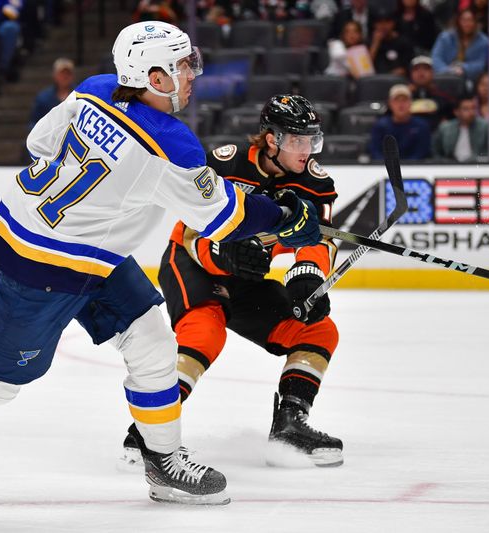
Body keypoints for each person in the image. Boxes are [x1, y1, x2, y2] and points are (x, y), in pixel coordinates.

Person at [0, 21, 321, 507]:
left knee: (152, 340)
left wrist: (100, 197)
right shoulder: (168, 145)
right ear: (154, 78)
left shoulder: (93, 90)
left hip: (88, 252)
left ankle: (163, 460)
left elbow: (39, 143)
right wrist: (285, 215)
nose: (192, 73)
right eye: (182, 65)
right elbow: (224, 215)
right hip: (38, 267)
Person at [120, 94, 344, 470]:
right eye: (297, 141)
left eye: (311, 140)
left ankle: (290, 423)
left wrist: (308, 274)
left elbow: (319, 239)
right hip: (194, 265)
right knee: (204, 334)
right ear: (271, 139)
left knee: (318, 331)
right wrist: (221, 253)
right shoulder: (227, 164)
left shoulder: (315, 183)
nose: (307, 151)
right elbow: (192, 230)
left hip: (248, 276)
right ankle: (146, 432)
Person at [370, 84, 431, 160]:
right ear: (390, 103)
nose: (401, 104)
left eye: (404, 100)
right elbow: (375, 152)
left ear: (411, 102)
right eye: (396, 100)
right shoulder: (380, 126)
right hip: (385, 169)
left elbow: (421, 153)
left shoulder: (422, 126)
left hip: (415, 169)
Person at [431, 8, 489, 81]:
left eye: (470, 20)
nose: (467, 24)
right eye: (464, 20)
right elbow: (436, 58)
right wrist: (449, 71)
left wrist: (463, 68)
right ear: (458, 21)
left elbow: (481, 63)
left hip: (473, 79)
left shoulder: (484, 41)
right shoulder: (444, 38)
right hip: (445, 77)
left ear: (475, 22)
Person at [432, 93, 489, 161]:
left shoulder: (485, 127)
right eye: (466, 109)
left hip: (478, 167)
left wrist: (477, 160)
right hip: (450, 168)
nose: (471, 112)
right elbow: (435, 152)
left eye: (473, 108)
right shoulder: (445, 128)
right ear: (456, 112)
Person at [408, 55, 456, 131]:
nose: (421, 73)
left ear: (432, 73)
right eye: (416, 69)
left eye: (425, 69)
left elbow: (453, 119)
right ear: (411, 74)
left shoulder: (443, 96)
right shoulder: (403, 97)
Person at [28, 57, 76, 130]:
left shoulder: (80, 96)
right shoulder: (43, 98)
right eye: (62, 74)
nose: (65, 77)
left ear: (72, 76)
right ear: (55, 75)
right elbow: (33, 123)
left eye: (68, 73)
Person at [368, 8, 414, 77]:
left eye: (387, 22)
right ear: (375, 25)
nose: (383, 26)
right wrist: (375, 44)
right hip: (376, 80)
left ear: (393, 23)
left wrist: (403, 70)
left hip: (400, 80)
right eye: (380, 22)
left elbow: (410, 66)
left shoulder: (404, 42)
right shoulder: (369, 42)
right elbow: (365, 68)